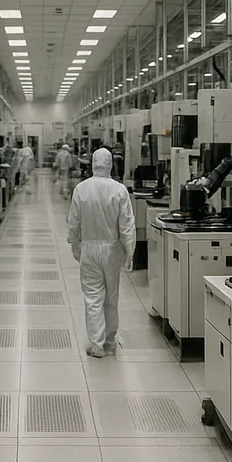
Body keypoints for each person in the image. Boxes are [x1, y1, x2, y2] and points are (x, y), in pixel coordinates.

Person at [67, 148, 136, 358]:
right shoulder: (119, 190)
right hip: (112, 249)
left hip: (89, 248)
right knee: (112, 296)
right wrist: (130, 251)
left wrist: (74, 242)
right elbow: (126, 225)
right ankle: (109, 342)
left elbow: (73, 221)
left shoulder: (81, 189)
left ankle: (96, 345)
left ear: (92, 164)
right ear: (111, 165)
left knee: (92, 297)